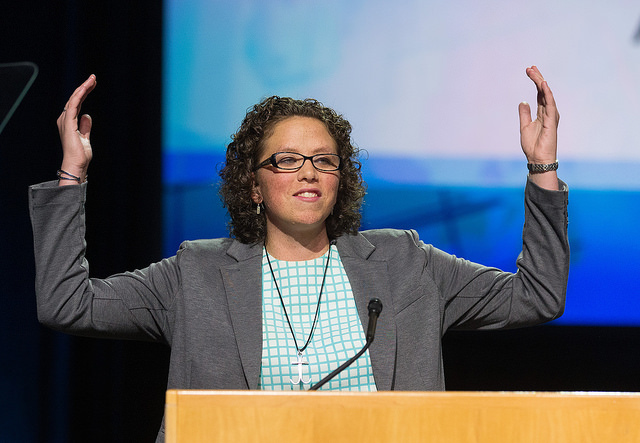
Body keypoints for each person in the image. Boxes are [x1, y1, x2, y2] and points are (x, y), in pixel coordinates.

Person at [29, 66, 568, 442]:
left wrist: (541, 170)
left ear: (341, 179)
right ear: (254, 184)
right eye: (286, 160)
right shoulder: (196, 273)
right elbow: (68, 304)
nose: (308, 171)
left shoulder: (405, 263)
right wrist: (71, 174)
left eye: (324, 160)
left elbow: (536, 296)